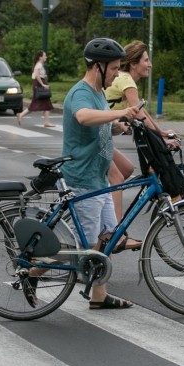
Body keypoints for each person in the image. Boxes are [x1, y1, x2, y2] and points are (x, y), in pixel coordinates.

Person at [53, 37, 140, 309]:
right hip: (82, 178)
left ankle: (99, 297)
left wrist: (116, 127)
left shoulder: (100, 94)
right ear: (98, 66)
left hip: (98, 179)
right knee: (86, 247)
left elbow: (97, 125)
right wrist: (121, 112)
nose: (116, 76)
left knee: (106, 238)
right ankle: (32, 271)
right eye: (114, 69)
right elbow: (83, 117)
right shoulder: (81, 93)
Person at [105, 41, 179, 220]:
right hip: (95, 135)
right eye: (146, 60)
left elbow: (140, 110)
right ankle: (116, 230)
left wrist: (160, 132)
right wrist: (160, 138)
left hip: (102, 134)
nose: (150, 64)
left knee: (127, 170)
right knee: (117, 179)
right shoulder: (126, 79)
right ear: (133, 64)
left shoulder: (123, 78)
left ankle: (103, 208)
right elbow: (138, 112)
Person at [16, 50, 54, 127]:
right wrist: (43, 84)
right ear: (40, 57)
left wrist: (44, 78)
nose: (46, 57)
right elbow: (37, 76)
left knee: (46, 103)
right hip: (39, 85)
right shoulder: (39, 65)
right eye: (44, 55)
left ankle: (46, 122)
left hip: (39, 84)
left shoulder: (39, 65)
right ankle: (21, 115)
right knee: (38, 103)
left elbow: (39, 75)